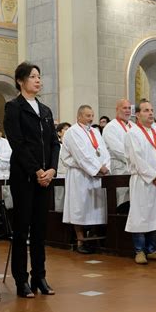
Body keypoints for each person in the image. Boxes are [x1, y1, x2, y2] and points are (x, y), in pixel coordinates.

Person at [4, 62, 60, 298]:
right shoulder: (13, 107)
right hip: (25, 177)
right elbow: (17, 143)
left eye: (39, 76)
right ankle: (21, 279)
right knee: (22, 229)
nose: (38, 80)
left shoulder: (45, 110)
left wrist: (52, 170)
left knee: (40, 229)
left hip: (45, 178)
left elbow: (54, 144)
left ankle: (40, 275)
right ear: (20, 80)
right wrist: (37, 170)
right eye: (33, 76)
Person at [124, 100, 156, 264]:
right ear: (137, 114)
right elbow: (137, 159)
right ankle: (139, 250)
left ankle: (152, 249)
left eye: (152, 110)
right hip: (143, 181)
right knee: (141, 215)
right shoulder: (133, 133)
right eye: (146, 110)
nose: (151, 113)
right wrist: (154, 176)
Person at [61, 105, 111, 254]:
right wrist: (98, 167)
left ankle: (94, 238)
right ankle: (80, 240)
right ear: (79, 116)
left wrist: (106, 166)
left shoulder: (95, 132)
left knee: (96, 207)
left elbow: (104, 150)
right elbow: (81, 154)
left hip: (97, 174)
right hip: (80, 175)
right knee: (80, 206)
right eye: (88, 116)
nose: (91, 118)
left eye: (92, 115)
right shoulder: (72, 132)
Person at [102, 99, 135, 210]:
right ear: (117, 110)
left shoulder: (133, 126)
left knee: (134, 201)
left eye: (129, 108)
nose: (127, 111)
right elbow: (118, 150)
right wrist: (136, 159)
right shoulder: (111, 127)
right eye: (124, 108)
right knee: (122, 201)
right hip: (119, 168)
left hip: (134, 167)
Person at [55, 122, 71, 212]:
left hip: (71, 176)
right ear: (59, 133)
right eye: (66, 129)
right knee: (60, 200)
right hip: (60, 175)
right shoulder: (57, 146)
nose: (68, 131)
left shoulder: (72, 144)